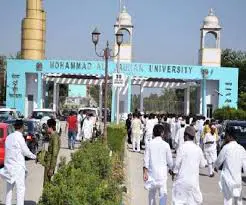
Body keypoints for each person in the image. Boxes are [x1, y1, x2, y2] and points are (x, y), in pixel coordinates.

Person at [0, 120, 36, 205]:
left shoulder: (9, 137)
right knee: (20, 189)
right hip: (18, 167)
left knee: (9, 189)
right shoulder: (19, 137)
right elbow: (25, 151)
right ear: (22, 127)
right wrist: (35, 156)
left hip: (9, 166)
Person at [172, 126, 207, 205]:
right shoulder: (198, 149)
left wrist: (174, 173)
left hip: (182, 180)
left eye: (184, 135)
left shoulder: (182, 148)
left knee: (179, 201)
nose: (183, 136)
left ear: (186, 136)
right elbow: (202, 165)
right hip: (193, 182)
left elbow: (177, 164)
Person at [214, 126, 246, 205]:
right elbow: (245, 165)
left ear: (230, 136)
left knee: (228, 200)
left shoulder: (226, 147)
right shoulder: (242, 149)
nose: (225, 137)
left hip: (227, 179)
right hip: (237, 180)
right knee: (238, 201)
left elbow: (219, 161)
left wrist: (216, 167)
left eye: (226, 136)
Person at [143, 124, 173, 205]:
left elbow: (146, 159)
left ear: (153, 133)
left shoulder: (149, 144)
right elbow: (170, 161)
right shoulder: (166, 145)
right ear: (162, 133)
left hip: (152, 173)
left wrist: (145, 172)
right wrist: (171, 169)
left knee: (151, 194)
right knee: (163, 194)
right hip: (162, 175)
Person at [42, 118, 60, 186]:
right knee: (47, 183)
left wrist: (51, 168)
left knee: (47, 184)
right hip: (48, 163)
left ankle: (46, 196)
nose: (46, 129)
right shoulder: (53, 136)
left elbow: (54, 154)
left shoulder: (54, 137)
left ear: (50, 127)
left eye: (47, 127)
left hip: (50, 164)